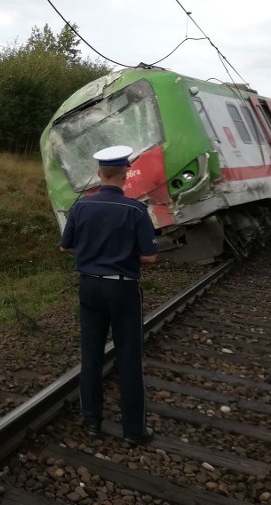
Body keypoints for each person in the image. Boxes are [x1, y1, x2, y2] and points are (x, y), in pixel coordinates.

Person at [59, 145, 158, 446]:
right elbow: (150, 257)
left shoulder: (80, 208)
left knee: (91, 355)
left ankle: (92, 422)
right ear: (126, 174)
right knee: (129, 358)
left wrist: (91, 253)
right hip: (123, 288)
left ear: (100, 174)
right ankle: (133, 432)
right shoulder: (136, 210)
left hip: (89, 286)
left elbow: (66, 246)